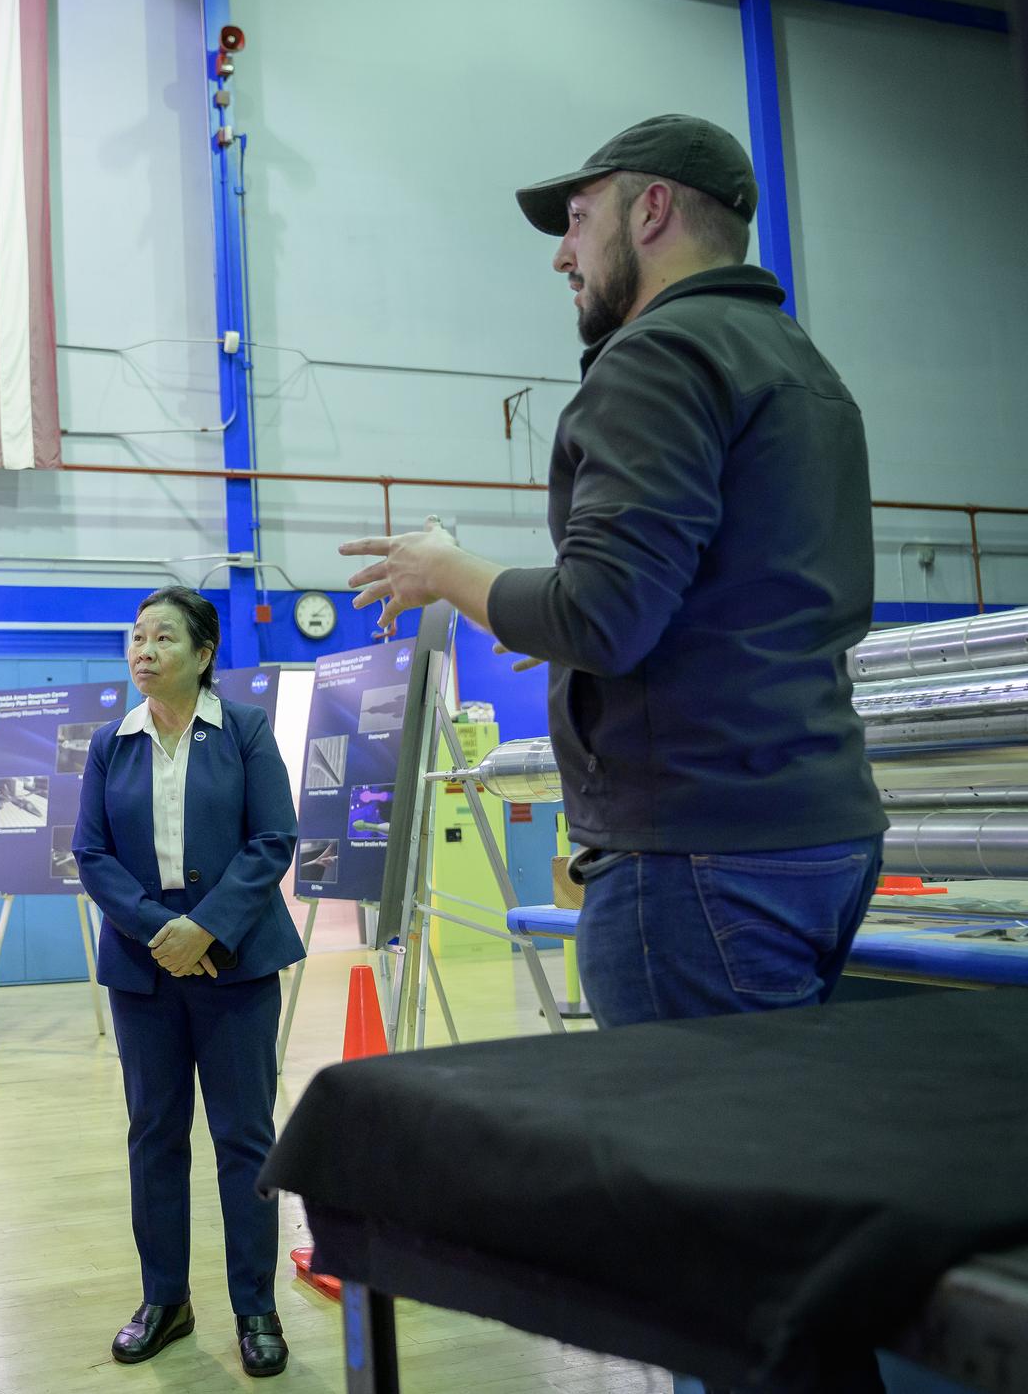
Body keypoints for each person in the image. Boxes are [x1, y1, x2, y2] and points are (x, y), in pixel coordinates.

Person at [339, 114, 886, 1030]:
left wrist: (448, 570)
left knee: (694, 1158)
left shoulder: (658, 357)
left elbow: (603, 616)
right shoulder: (805, 369)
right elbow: (717, 599)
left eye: (579, 218)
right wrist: (552, 624)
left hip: (698, 853)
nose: (563, 255)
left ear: (652, 211)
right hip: (821, 832)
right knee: (781, 1143)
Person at [72, 586, 303, 1379]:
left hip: (235, 958)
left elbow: (274, 836)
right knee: (155, 1136)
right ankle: (165, 1298)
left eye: (161, 637)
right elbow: (91, 853)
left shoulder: (242, 729)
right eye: (135, 637)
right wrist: (156, 929)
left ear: (203, 654)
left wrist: (206, 926)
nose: (142, 649)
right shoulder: (112, 742)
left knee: (245, 1138)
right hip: (145, 966)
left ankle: (257, 1307)